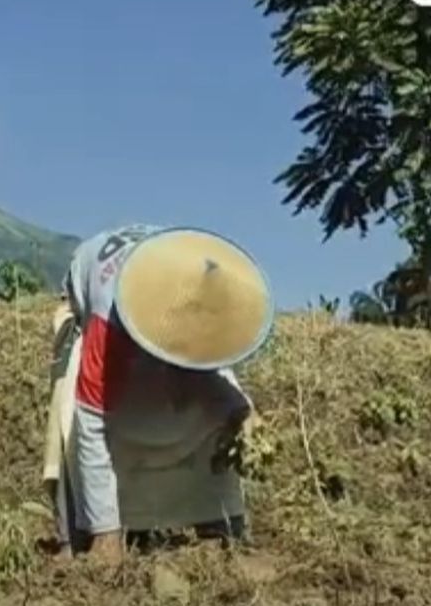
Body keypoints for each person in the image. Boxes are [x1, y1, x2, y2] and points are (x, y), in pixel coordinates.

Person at [41, 224, 272, 561]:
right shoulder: (109, 323)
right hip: (94, 288)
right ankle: (79, 533)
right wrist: (106, 533)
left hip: (165, 276)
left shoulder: (195, 287)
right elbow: (91, 420)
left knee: (209, 405)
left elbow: (215, 374)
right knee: (72, 413)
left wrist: (242, 411)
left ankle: (219, 522)